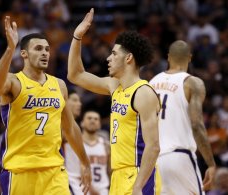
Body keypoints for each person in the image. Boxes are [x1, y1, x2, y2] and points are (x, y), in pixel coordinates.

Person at [0, 16, 91, 195]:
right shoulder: (14, 81)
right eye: (38, 49)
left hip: (53, 170)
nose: (45, 53)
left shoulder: (59, 85)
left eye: (47, 49)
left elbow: (70, 127)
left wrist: (85, 162)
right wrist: (9, 49)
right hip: (20, 170)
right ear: (24, 54)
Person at [68, 8, 161, 195]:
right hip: (118, 176)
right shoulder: (114, 86)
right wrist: (77, 37)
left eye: (114, 54)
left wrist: (138, 186)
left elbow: (153, 146)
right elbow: (75, 75)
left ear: (128, 58)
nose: (108, 58)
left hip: (137, 174)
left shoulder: (143, 93)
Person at [149, 40, 216, 195]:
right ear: (190, 57)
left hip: (152, 161)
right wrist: (211, 164)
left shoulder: (151, 83)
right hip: (180, 156)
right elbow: (197, 124)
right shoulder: (192, 83)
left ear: (168, 57)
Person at [66, 110, 110, 195]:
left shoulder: (106, 145)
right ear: (82, 123)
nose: (92, 120)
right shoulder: (73, 143)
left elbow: (109, 170)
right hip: (79, 188)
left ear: (100, 124)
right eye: (89, 118)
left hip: (102, 189)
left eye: (96, 119)